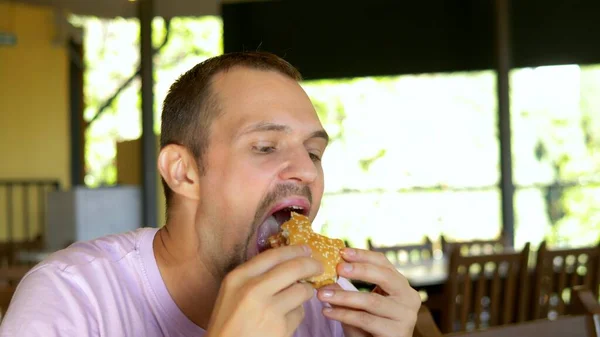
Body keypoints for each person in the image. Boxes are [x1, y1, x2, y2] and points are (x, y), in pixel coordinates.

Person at [0, 52, 421, 336]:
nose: (307, 170)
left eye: (314, 152)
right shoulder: (71, 299)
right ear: (183, 173)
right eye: (265, 147)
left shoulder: (332, 309)